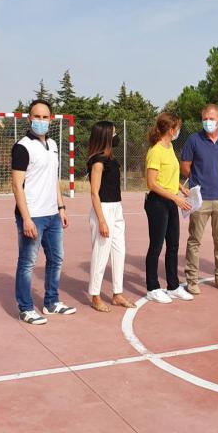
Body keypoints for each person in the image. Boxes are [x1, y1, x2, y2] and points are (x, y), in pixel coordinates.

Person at [11, 99, 75, 325]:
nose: (40, 121)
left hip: (52, 215)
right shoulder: (22, 147)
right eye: (36, 116)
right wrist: (26, 217)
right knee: (28, 262)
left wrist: (61, 207)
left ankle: (51, 302)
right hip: (32, 215)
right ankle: (26, 308)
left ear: (51, 119)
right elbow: (17, 185)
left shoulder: (54, 145)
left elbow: (53, 180)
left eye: (44, 117)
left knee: (56, 258)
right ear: (29, 119)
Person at [180, 103, 218, 294]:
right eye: (204, 118)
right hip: (200, 199)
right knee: (194, 240)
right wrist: (197, 182)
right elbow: (185, 166)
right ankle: (192, 280)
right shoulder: (193, 140)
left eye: (211, 118)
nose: (208, 122)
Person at [144, 112, 194, 303]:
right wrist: (176, 197)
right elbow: (152, 183)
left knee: (173, 245)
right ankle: (152, 287)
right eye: (178, 127)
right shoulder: (155, 151)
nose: (179, 130)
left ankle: (173, 286)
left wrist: (181, 188)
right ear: (171, 129)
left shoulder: (170, 146)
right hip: (158, 203)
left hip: (171, 201)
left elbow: (170, 174)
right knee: (156, 246)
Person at [86, 121, 134, 312]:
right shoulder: (97, 161)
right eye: (114, 133)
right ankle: (95, 296)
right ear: (106, 136)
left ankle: (117, 293)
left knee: (119, 251)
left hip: (116, 208)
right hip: (103, 210)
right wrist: (102, 220)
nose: (116, 136)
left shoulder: (112, 159)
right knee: (101, 253)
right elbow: (94, 193)